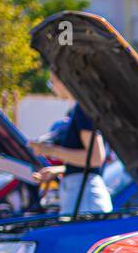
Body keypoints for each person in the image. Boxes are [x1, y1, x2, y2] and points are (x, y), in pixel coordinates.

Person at [31, 75, 113, 215]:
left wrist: (50, 150)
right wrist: (58, 170)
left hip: (86, 199)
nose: (52, 87)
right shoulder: (75, 111)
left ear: (65, 81)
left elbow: (95, 158)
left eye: (53, 81)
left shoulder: (83, 109)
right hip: (80, 196)